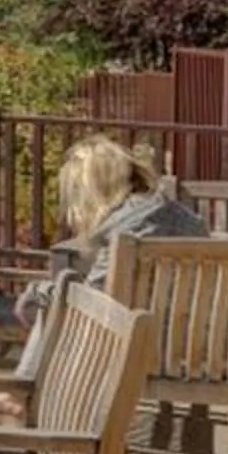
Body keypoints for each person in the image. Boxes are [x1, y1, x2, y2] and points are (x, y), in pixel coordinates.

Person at [16, 135, 206, 328]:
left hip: (136, 346)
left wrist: (40, 292)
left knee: (43, 313)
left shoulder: (124, 233)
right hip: (196, 345)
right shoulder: (190, 222)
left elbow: (93, 304)